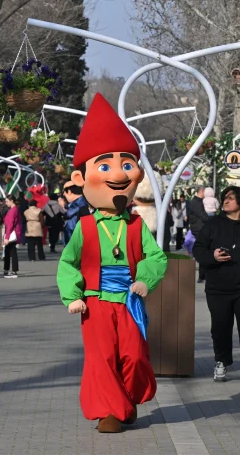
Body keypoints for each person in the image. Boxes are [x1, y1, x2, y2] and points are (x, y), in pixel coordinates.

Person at [57, 94, 167, 434]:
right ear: (81, 177)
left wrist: (146, 280)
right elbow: (67, 262)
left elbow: (156, 256)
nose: (118, 174)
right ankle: (109, 410)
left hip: (129, 302)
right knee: (101, 359)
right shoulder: (85, 227)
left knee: (134, 356)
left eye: (126, 164)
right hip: (96, 302)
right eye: (104, 166)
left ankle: (125, 400)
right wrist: (72, 295)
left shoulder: (135, 225)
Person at [192, 185, 240, 390]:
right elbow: (198, 249)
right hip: (218, 286)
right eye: (224, 198)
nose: (225, 201)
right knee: (220, 327)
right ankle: (221, 362)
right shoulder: (213, 224)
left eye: (230, 198)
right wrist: (213, 257)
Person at [187, 186, 209, 283]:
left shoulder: (196, 202)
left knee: (203, 250)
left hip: (198, 228)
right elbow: (203, 216)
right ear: (202, 191)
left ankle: (203, 275)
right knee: (203, 251)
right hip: (199, 229)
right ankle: (202, 275)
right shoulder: (196, 203)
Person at [2, 196, 22, 279]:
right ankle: (11, 270)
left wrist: (6, 237)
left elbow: (10, 224)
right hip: (15, 232)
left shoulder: (12, 211)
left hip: (11, 233)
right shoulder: (16, 210)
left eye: (7, 201)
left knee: (9, 252)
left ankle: (10, 270)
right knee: (11, 251)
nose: (6, 203)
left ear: (12, 201)